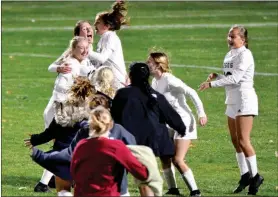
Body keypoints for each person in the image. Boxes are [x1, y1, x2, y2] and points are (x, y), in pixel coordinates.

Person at [199, 24, 264, 195]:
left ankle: (256, 176)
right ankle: (245, 175)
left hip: (245, 99)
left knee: (244, 140)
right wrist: (217, 76)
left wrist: (211, 84)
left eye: (233, 36)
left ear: (243, 39)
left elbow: (236, 79)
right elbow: (229, 78)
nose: (229, 39)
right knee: (235, 140)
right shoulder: (229, 54)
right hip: (232, 101)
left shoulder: (246, 55)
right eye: (229, 35)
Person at [111, 62, 187, 194]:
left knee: (122, 175)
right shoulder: (156, 95)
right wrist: (181, 128)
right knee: (146, 178)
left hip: (133, 142)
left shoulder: (122, 94)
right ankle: (178, 188)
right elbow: (172, 116)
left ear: (130, 75)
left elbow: (113, 117)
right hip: (157, 140)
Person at [31, 36, 91, 192]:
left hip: (60, 111)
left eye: (87, 47)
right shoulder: (70, 64)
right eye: (81, 48)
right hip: (59, 112)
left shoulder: (79, 62)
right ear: (74, 49)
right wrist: (76, 94)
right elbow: (60, 89)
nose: (85, 51)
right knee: (62, 148)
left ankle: (49, 182)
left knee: (63, 147)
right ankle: (45, 183)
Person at [147, 51, 207, 197]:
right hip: (169, 123)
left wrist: (201, 113)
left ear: (158, 65)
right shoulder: (155, 81)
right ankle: (173, 189)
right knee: (165, 156)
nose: (147, 64)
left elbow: (191, 92)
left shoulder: (169, 80)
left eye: (150, 62)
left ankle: (195, 191)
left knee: (177, 159)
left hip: (183, 121)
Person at [71, 106, 149, 197]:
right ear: (111, 124)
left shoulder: (81, 145)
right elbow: (141, 173)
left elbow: (73, 171)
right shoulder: (116, 146)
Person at [88, 1, 128, 90]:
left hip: (116, 83)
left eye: (98, 22)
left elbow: (102, 58)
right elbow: (99, 62)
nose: (94, 25)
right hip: (110, 81)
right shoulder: (105, 37)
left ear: (107, 26)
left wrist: (86, 51)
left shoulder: (110, 36)